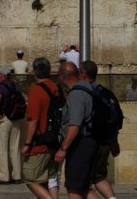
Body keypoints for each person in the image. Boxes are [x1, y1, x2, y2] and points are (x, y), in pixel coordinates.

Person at [54, 62, 97, 199]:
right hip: (88, 142)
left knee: (74, 189)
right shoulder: (88, 88)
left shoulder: (76, 94)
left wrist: (63, 148)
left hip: (80, 145)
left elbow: (75, 125)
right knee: (84, 189)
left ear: (62, 77)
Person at [21, 57, 60, 199]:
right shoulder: (56, 88)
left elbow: (33, 120)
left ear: (35, 72)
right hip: (55, 141)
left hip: (41, 143)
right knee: (49, 179)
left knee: (30, 178)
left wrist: (27, 144)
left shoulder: (36, 90)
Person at [84, 61, 122, 199]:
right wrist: (113, 140)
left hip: (90, 142)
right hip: (106, 142)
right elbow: (116, 117)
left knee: (81, 182)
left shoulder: (85, 93)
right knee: (99, 177)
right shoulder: (106, 92)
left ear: (83, 74)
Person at [0, 65, 23, 185]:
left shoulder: (0, 86)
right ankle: (17, 176)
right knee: (15, 148)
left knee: (2, 148)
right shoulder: (15, 85)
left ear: (2, 75)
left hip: (3, 119)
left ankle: (4, 177)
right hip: (16, 119)